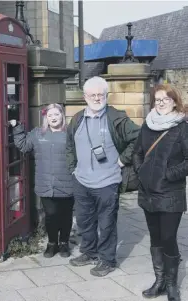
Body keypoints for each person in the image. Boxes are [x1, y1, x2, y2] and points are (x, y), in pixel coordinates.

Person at [66, 76, 140, 277]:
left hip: (107, 181)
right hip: (81, 181)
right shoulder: (77, 119)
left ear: (106, 96)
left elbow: (138, 138)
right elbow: (70, 145)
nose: (97, 98)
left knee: (106, 223)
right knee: (84, 221)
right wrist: (73, 168)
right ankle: (89, 252)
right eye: (93, 95)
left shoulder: (116, 118)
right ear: (85, 96)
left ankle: (107, 260)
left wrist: (123, 160)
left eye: (101, 94)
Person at [133, 84, 187, 301]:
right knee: (155, 239)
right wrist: (141, 170)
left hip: (170, 193)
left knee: (168, 238)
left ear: (174, 101)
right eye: (158, 99)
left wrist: (167, 174)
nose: (161, 102)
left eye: (166, 99)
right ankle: (160, 281)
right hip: (148, 193)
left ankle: (172, 285)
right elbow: (137, 153)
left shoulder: (182, 128)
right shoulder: (147, 125)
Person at [10, 103, 74, 258]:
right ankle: (52, 243)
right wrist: (17, 127)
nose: (53, 118)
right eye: (50, 115)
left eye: (56, 114)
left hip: (67, 181)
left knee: (65, 215)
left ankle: (64, 242)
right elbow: (23, 146)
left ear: (62, 116)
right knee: (51, 214)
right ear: (46, 117)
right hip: (45, 182)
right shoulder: (38, 133)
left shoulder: (70, 133)